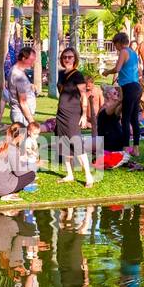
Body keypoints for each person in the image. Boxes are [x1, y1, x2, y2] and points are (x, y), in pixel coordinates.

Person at [54, 48, 94, 187]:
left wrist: (83, 115)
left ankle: (88, 176)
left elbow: (84, 96)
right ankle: (69, 174)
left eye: (70, 57)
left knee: (76, 143)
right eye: (64, 57)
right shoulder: (60, 73)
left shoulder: (78, 75)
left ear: (75, 58)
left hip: (73, 114)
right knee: (63, 143)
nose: (67, 59)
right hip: (61, 113)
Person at [103, 32, 143, 158]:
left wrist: (107, 72)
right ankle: (136, 148)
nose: (116, 48)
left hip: (129, 87)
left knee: (125, 119)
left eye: (115, 45)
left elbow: (118, 68)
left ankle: (125, 148)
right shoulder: (133, 52)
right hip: (136, 87)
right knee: (134, 119)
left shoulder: (124, 52)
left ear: (119, 43)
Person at [0, 123, 38, 200]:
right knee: (31, 174)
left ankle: (5, 190)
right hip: (0, 188)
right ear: (20, 136)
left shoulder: (2, 143)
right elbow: (19, 172)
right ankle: (6, 194)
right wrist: (35, 165)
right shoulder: (13, 148)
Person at [8, 45, 38, 127]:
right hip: (22, 116)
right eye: (31, 60)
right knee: (23, 139)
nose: (33, 63)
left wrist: (29, 86)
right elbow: (23, 102)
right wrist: (32, 122)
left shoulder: (16, 70)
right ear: (24, 58)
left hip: (21, 115)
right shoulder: (18, 75)